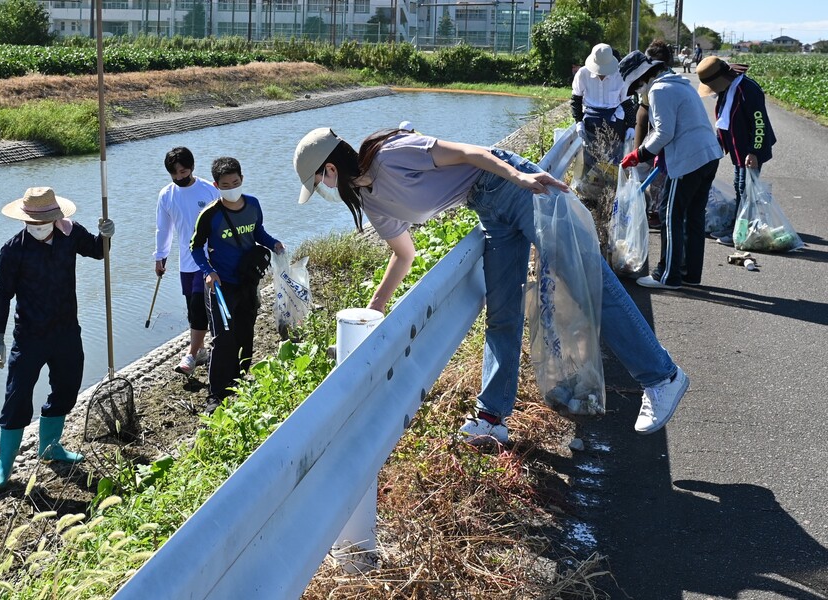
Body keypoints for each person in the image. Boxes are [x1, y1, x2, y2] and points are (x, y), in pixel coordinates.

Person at [292, 127, 690, 443]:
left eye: (320, 183)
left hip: (511, 185)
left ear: (329, 169)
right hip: (486, 208)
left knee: (583, 276)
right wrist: (373, 311)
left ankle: (661, 376)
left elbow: (470, 153)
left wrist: (520, 174)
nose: (327, 191)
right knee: (501, 312)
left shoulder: (389, 153)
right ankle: (492, 417)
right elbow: (404, 254)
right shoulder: (373, 202)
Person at [0, 187, 115, 487]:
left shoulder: (70, 235)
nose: (39, 226)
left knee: (67, 388)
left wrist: (107, 235)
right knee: (17, 397)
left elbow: (98, 251)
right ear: (24, 219)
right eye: (32, 221)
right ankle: (4, 467)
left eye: (44, 220)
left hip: (66, 331)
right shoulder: (12, 250)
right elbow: (2, 295)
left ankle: (50, 448)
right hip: (29, 336)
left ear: (57, 216)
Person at [619, 51, 722, 290]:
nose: (637, 91)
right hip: (708, 156)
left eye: (635, 86)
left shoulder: (659, 91)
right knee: (693, 217)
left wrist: (640, 154)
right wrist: (661, 154)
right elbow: (682, 125)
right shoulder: (678, 83)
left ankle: (667, 275)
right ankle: (690, 273)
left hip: (689, 160)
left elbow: (665, 132)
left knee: (669, 214)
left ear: (642, 79)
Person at [191, 157, 284, 413]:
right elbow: (196, 248)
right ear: (216, 185)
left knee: (245, 330)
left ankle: (240, 379)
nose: (231, 187)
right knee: (222, 338)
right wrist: (208, 271)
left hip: (247, 281)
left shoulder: (253, 204)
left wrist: (273, 243)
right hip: (221, 285)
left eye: (235, 182)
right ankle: (216, 394)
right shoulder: (209, 215)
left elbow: (258, 233)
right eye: (225, 184)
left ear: (242, 179)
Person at [696, 56, 777, 246]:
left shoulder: (748, 90)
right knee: (739, 186)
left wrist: (754, 151)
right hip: (738, 149)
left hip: (751, 149)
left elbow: (759, 123)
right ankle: (737, 225)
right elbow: (725, 120)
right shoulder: (729, 89)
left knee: (746, 189)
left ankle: (743, 231)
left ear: (721, 80)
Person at [154, 146, 219, 375]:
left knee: (199, 308)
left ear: (192, 167)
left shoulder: (209, 190)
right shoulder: (167, 195)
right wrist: (160, 256)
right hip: (186, 261)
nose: (179, 177)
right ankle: (201, 350)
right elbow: (164, 229)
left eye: (183, 171)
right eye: (175, 173)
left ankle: (190, 356)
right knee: (193, 310)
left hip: (211, 260)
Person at [571, 43, 634, 172]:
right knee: (591, 157)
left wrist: (632, 125)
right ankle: (590, 189)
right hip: (591, 122)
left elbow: (627, 103)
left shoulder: (620, 75)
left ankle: (612, 188)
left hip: (615, 122)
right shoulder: (583, 74)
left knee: (615, 159)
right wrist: (578, 121)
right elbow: (576, 99)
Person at [634, 40, 675, 229]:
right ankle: (643, 207)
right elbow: (643, 111)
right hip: (645, 124)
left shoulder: (665, 84)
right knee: (641, 168)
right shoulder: (649, 80)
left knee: (660, 173)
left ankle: (657, 212)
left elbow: (665, 129)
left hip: (660, 128)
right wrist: (638, 151)